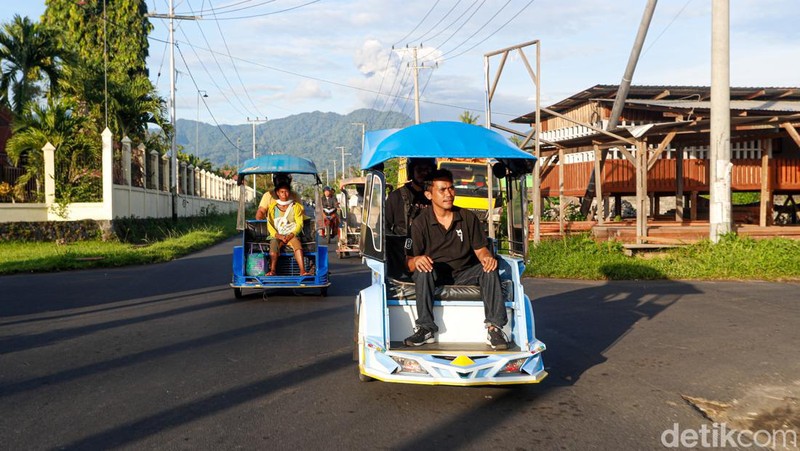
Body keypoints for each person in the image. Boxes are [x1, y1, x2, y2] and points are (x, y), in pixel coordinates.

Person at [403, 169, 510, 350]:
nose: (449, 194)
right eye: (442, 190)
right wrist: (417, 260)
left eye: (451, 188)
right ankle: (425, 328)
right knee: (422, 269)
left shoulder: (468, 218)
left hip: (465, 273)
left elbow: (481, 250)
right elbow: (408, 262)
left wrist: (487, 258)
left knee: (489, 267)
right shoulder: (420, 223)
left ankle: (495, 329)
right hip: (434, 274)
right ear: (429, 194)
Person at [266, 183, 311, 276]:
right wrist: (279, 236)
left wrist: (291, 235)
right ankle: (272, 270)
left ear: (289, 193)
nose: (284, 194)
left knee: (298, 247)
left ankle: (302, 271)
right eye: (282, 192)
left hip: (292, 235)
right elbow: (270, 225)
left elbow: (299, 224)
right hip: (277, 235)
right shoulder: (272, 208)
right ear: (278, 193)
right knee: (273, 247)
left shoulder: (296, 207)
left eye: (286, 192)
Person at [385, 158, 436, 237]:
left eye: (428, 169)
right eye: (419, 169)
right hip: (402, 243)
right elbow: (383, 226)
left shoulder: (436, 197)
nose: (424, 173)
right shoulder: (396, 197)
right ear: (411, 172)